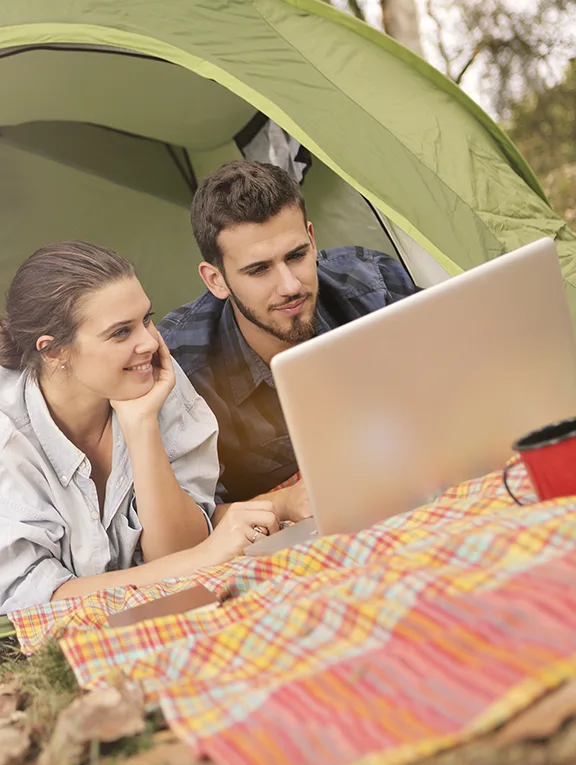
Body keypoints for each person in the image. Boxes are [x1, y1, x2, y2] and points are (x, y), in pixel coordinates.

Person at [0, 241, 280, 614]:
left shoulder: (150, 377)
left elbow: (178, 550)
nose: (149, 341)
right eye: (120, 333)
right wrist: (200, 559)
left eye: (146, 318)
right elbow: (38, 603)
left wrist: (141, 426)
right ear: (53, 351)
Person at [159, 161, 419, 525]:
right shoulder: (181, 364)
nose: (290, 286)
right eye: (259, 269)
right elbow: (193, 519)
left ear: (312, 240)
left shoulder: (373, 283)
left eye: (296, 256)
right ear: (216, 280)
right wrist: (283, 502)